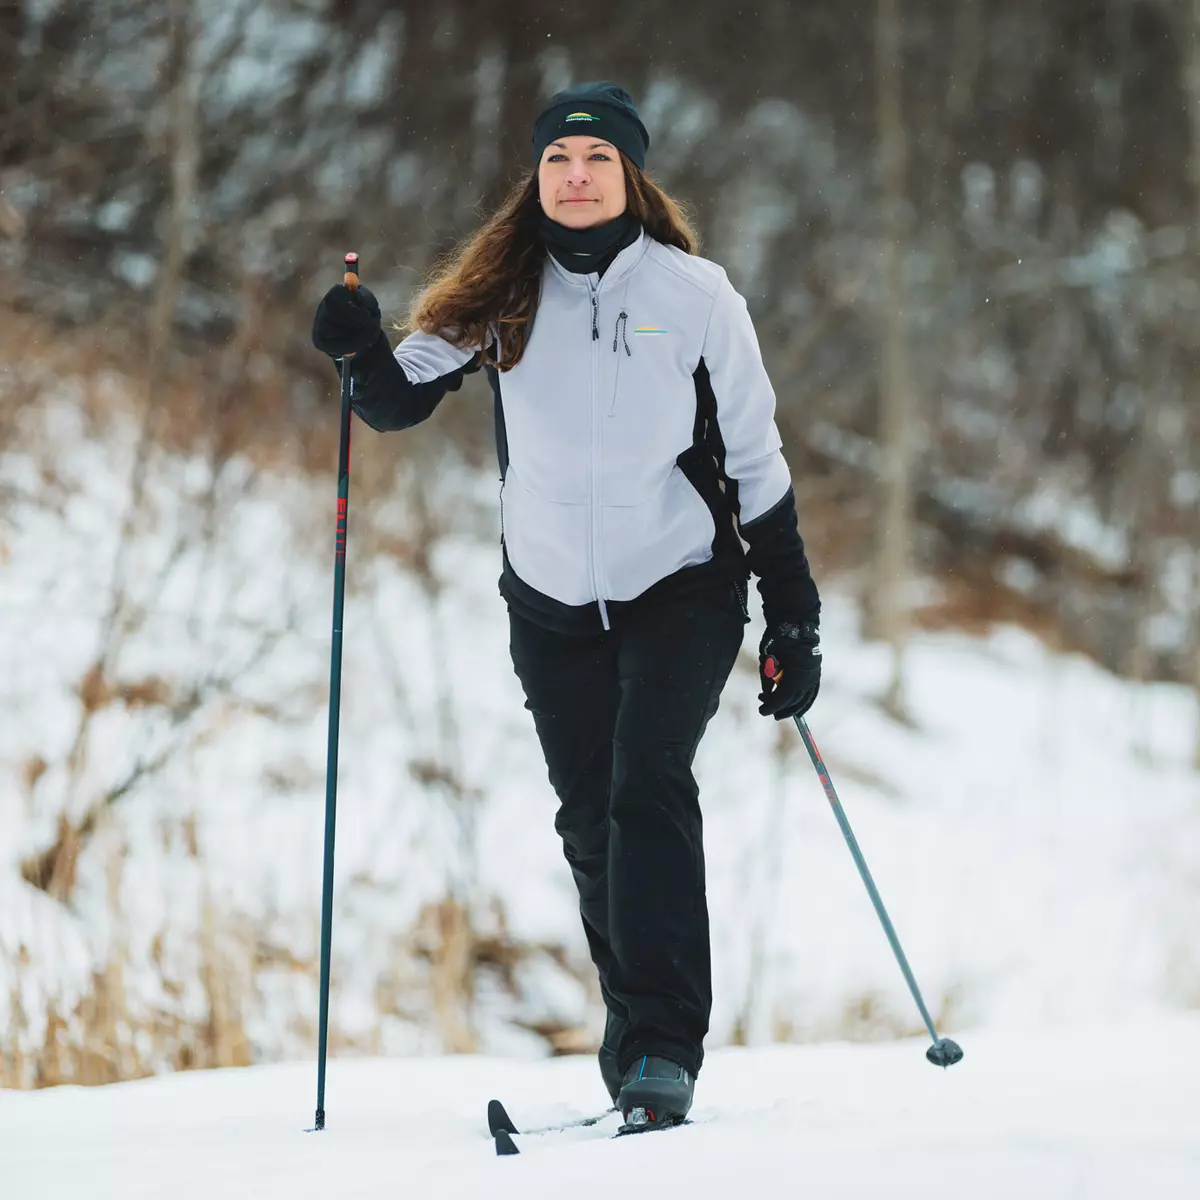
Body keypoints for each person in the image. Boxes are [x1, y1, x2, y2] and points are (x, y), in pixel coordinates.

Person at [311, 82, 821, 1131]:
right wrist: (358, 351)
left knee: (647, 788)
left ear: (630, 176)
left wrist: (792, 611)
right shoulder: (502, 291)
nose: (575, 177)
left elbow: (757, 459)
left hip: (680, 582)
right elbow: (396, 399)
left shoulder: (695, 295)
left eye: (596, 160)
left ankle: (664, 1049)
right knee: (591, 822)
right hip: (547, 599)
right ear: (536, 176)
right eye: (557, 160)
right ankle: (633, 1033)